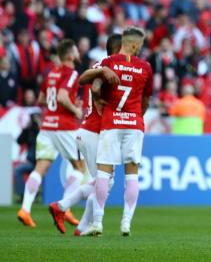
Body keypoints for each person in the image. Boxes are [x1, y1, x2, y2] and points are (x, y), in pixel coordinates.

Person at [81, 27, 153, 236]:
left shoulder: (109, 62)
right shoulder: (146, 67)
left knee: (104, 173)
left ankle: (97, 222)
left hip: (111, 122)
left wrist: (99, 102)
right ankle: (126, 223)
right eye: (140, 45)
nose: (141, 48)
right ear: (135, 44)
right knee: (132, 175)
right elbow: (146, 99)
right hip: (134, 124)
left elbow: (90, 84)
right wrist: (138, 115)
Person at [48, 34, 122, 235]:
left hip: (90, 131)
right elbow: (96, 86)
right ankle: (94, 224)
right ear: (117, 49)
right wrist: (98, 98)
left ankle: (69, 214)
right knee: (104, 181)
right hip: (92, 131)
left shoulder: (100, 65)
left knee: (103, 182)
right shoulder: (108, 68)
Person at [17, 39, 86, 228]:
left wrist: (61, 105)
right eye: (76, 52)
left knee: (40, 168)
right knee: (80, 167)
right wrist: (75, 110)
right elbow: (62, 97)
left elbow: (41, 99)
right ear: (70, 56)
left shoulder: (51, 74)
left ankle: (25, 209)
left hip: (47, 126)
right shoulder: (71, 73)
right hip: (65, 127)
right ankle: (64, 208)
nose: (79, 55)